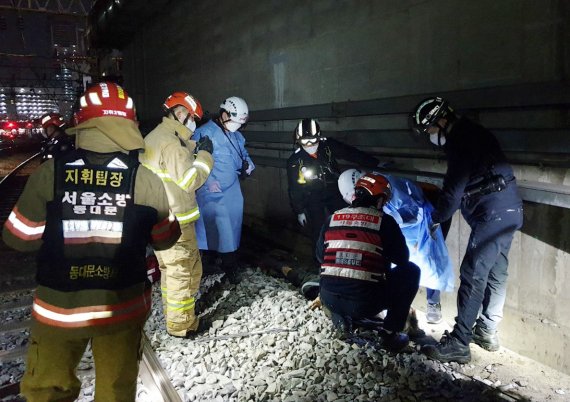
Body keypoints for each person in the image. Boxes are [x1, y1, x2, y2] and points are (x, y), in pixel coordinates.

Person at [2, 82, 181, 401]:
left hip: (58, 310)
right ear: (129, 126)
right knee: (115, 390)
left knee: (47, 390)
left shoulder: (49, 174)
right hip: (121, 309)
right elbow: (166, 239)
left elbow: (19, 239)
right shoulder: (146, 179)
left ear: (81, 124)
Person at [411, 97, 523, 363]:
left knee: (473, 273)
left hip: (492, 213)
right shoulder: (473, 133)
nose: (430, 136)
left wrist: (435, 219)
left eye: (430, 130)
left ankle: (460, 343)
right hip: (509, 209)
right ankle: (486, 330)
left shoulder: (460, 140)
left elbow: (453, 190)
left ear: (441, 121)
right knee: (496, 272)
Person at [316, 173, 421, 351]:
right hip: (364, 304)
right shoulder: (385, 222)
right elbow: (403, 260)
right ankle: (390, 335)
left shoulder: (332, 219)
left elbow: (320, 256)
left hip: (328, 297)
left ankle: (341, 319)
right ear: (379, 200)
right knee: (412, 271)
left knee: (333, 268)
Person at [140, 91, 214, 338]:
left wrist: (192, 146)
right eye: (193, 117)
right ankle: (182, 326)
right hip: (176, 222)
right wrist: (205, 156)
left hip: (161, 220)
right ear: (180, 113)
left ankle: (179, 316)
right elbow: (190, 179)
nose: (194, 123)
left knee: (175, 272)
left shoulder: (155, 137)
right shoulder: (171, 143)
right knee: (182, 272)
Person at [338, 169, 454, 324]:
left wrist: (393, 222)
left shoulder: (387, 187)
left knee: (429, 257)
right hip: (403, 223)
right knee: (405, 262)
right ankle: (393, 322)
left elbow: (414, 209)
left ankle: (433, 304)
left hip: (426, 214)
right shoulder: (375, 197)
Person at [286, 118, 380, 269]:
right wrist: (299, 211)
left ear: (319, 137)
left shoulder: (327, 146)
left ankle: (347, 256)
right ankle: (320, 264)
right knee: (318, 230)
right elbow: (294, 188)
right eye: (305, 142)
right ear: (298, 140)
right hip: (312, 196)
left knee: (343, 222)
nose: (310, 146)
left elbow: (350, 153)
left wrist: (375, 163)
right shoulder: (295, 160)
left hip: (334, 190)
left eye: (313, 141)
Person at [191, 96, 254, 284]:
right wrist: (208, 180)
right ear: (224, 114)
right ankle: (226, 265)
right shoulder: (204, 133)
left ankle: (219, 260)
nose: (236, 126)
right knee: (214, 228)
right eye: (234, 121)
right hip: (211, 190)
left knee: (232, 227)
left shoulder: (236, 135)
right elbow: (195, 158)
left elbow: (245, 155)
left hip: (232, 189)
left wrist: (248, 166)